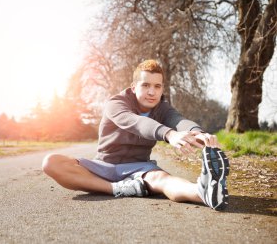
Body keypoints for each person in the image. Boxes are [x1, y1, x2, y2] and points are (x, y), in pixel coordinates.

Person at [42, 59, 229, 210]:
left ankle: (203, 192)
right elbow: (134, 122)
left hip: (138, 170)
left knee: (162, 180)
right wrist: (169, 135)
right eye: (146, 85)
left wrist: (198, 133)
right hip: (104, 166)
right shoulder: (116, 104)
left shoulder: (162, 108)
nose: (152, 92)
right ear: (133, 87)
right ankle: (116, 189)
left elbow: (178, 120)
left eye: (157, 86)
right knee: (51, 162)